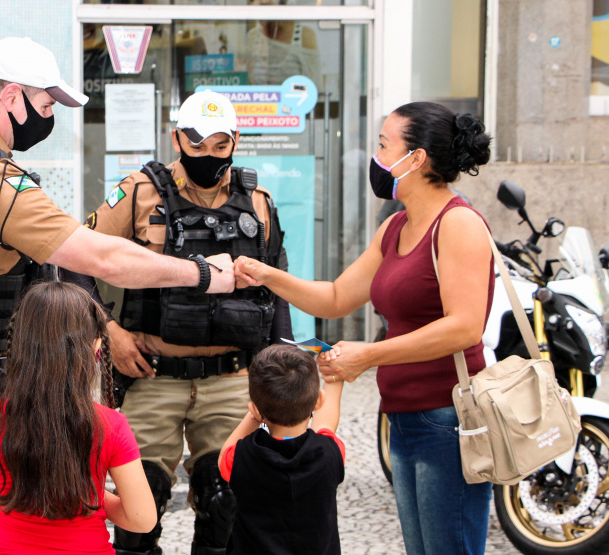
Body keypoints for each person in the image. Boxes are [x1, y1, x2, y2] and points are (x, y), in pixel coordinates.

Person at [0, 37, 234, 555]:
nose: (48, 119)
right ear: (12, 97)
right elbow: (99, 258)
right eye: (46, 106)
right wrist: (200, 274)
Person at [234, 101, 494, 555]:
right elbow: (336, 297)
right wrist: (267, 274)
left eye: (382, 145)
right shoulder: (396, 227)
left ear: (415, 159)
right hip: (403, 416)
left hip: (449, 419)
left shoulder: (459, 225)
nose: (375, 157)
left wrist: (368, 356)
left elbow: (465, 328)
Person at [64, 90, 292, 555]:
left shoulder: (260, 204)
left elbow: (277, 290)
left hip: (231, 379)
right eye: (196, 143)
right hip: (152, 375)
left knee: (226, 502)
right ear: (176, 138)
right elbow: (72, 263)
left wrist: (284, 373)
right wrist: (109, 332)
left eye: (219, 145)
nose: (207, 155)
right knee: (138, 513)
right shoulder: (138, 194)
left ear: (236, 141)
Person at [0, 281, 156, 553]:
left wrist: (20, 496)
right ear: (96, 346)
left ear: (21, 344)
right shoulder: (110, 425)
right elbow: (141, 519)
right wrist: (92, 498)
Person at [218, 344, 345, 555]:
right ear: (318, 401)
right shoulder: (330, 452)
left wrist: (254, 416)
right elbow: (326, 424)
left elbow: (224, 456)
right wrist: (335, 375)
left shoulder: (242, 456)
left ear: (255, 408)